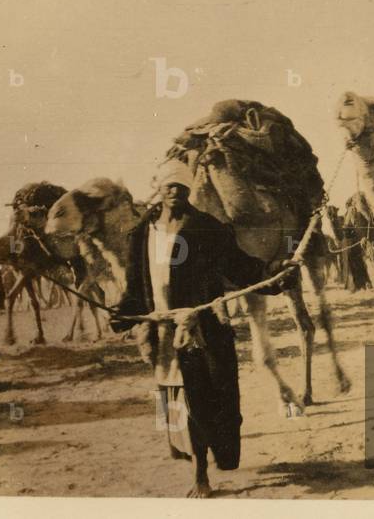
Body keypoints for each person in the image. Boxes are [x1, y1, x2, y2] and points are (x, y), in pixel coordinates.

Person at [109, 159, 273, 498]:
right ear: (160, 188)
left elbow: (239, 266)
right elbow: (136, 285)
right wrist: (124, 314)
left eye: (182, 186)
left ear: (189, 190)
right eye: (169, 185)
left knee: (198, 399)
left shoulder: (206, 228)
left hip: (200, 329)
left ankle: (200, 474)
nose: (175, 191)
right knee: (173, 400)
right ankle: (191, 458)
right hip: (161, 332)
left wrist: (273, 275)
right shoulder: (143, 232)